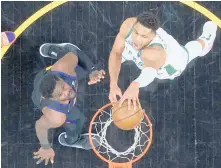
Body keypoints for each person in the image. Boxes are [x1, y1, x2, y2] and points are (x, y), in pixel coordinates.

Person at [108, 12, 217, 110]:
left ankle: (206, 40)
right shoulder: (129, 25)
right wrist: (113, 84)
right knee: (122, 50)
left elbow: (150, 72)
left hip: (170, 65)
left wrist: (135, 84)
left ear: (152, 36)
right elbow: (116, 52)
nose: (137, 39)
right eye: (136, 33)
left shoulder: (155, 52)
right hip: (144, 51)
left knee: (188, 53)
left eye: (144, 36)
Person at [32, 43, 105, 165]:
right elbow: (40, 125)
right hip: (40, 89)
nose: (67, 91)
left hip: (49, 74)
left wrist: (92, 71)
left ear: (59, 79)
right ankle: (71, 140)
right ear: (53, 99)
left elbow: (74, 54)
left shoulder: (62, 68)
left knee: (70, 53)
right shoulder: (56, 115)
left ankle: (54, 51)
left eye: (63, 86)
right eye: (60, 95)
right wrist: (45, 147)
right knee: (78, 119)